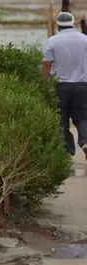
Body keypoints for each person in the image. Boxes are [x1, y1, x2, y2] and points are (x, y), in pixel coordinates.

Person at [43, 11, 87, 156]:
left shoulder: (52, 41)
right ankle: (85, 142)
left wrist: (44, 82)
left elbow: (47, 64)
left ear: (57, 25)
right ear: (73, 23)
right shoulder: (84, 39)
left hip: (61, 87)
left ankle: (67, 151)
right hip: (83, 87)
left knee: (61, 120)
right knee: (82, 118)